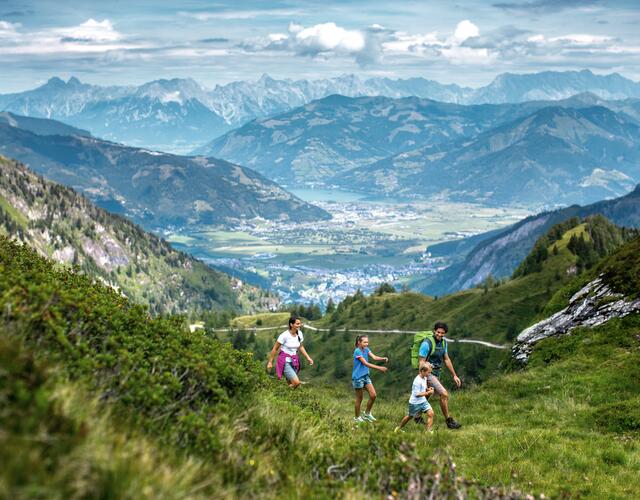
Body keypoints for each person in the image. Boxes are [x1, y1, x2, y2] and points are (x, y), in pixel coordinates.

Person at [418, 321, 462, 429]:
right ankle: (449, 421)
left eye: (442, 333)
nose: (440, 335)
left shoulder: (443, 343)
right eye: (438, 332)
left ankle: (416, 416)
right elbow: (421, 362)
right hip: (428, 374)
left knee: (427, 394)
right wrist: (423, 375)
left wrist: (454, 375)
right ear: (434, 331)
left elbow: (446, 359)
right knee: (444, 394)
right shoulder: (426, 343)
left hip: (437, 372)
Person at [266, 315, 314, 388]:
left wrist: (308, 358)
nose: (299, 325)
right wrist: (270, 362)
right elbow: (275, 348)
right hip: (285, 361)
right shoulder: (284, 335)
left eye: (300, 323)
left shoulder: (299, 333)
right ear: (291, 324)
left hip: (294, 360)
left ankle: (285, 396)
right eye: (297, 324)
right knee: (296, 383)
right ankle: (280, 392)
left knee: (291, 384)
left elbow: (300, 346)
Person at [352, 334, 388, 423]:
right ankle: (357, 418)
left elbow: (374, 357)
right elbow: (365, 363)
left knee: (373, 395)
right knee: (359, 398)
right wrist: (379, 368)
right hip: (358, 378)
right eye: (364, 342)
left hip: (365, 376)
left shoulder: (366, 349)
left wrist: (383, 358)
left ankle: (367, 414)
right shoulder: (357, 351)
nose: (366, 344)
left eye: (367, 342)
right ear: (359, 342)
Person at [394, 362, 435, 433]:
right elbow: (417, 394)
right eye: (428, 372)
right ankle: (398, 428)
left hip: (423, 401)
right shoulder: (417, 381)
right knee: (410, 416)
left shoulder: (424, 377)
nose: (429, 374)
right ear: (422, 371)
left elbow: (424, 387)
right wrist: (428, 393)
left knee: (431, 413)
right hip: (415, 403)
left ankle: (428, 431)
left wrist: (428, 389)